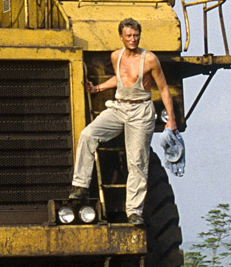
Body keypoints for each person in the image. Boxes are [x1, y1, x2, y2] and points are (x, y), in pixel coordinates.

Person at [69, 17, 177, 226]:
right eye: (129, 36)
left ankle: (134, 212)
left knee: (137, 161)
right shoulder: (115, 56)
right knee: (87, 134)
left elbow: (163, 88)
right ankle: (80, 187)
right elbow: (120, 79)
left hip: (140, 110)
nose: (133, 39)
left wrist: (170, 119)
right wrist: (97, 88)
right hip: (119, 107)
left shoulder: (150, 59)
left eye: (136, 35)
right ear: (121, 37)